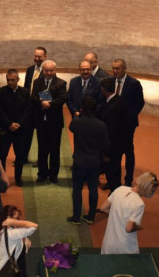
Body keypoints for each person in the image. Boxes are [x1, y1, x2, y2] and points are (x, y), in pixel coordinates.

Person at [67, 96, 109, 225]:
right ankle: (91, 216)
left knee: (77, 189)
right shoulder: (101, 125)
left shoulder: (76, 123)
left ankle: (76, 217)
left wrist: (79, 116)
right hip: (94, 162)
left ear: (82, 109)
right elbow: (106, 145)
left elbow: (71, 127)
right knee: (93, 189)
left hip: (79, 161)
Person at [100, 171, 159, 254]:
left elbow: (103, 208)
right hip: (125, 248)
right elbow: (129, 228)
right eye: (153, 191)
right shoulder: (139, 204)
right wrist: (138, 227)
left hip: (108, 244)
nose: (152, 194)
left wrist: (117, 214)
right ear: (147, 189)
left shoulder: (120, 189)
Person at [30, 59, 67, 184]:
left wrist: (48, 104)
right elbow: (33, 97)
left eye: (51, 70)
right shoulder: (37, 82)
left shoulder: (61, 83)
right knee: (42, 150)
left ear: (55, 70)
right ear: (43, 70)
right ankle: (42, 174)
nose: (49, 73)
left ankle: (53, 175)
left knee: (54, 150)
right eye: (46, 70)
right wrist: (41, 103)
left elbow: (62, 98)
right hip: (41, 122)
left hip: (55, 123)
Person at [0, 69, 33, 186]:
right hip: (6, 129)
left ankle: (18, 177)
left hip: (20, 130)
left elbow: (28, 110)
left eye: (12, 80)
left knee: (20, 155)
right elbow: (0, 111)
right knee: (2, 154)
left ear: (18, 80)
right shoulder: (0, 92)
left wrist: (19, 124)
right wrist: (9, 124)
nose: (10, 82)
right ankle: (1, 178)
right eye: (8, 80)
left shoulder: (25, 92)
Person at [111, 59, 145, 187]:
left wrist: (129, 116)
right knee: (115, 152)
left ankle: (128, 180)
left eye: (117, 68)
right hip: (113, 124)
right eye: (113, 68)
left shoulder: (134, 83)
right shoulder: (110, 81)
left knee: (128, 151)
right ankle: (114, 181)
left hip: (127, 125)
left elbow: (140, 103)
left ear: (124, 69)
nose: (115, 71)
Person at [0, 205, 38, 277]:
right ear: (9, 219)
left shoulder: (1, 230)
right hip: (10, 272)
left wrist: (26, 238)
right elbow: (34, 226)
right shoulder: (11, 233)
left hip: (5, 269)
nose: (18, 221)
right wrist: (14, 222)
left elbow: (18, 237)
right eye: (16, 219)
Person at [99, 77, 128, 190]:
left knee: (112, 174)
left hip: (113, 147)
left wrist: (107, 153)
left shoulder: (111, 108)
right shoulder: (119, 100)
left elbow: (111, 132)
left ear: (103, 89)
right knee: (116, 170)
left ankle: (114, 193)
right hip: (119, 145)